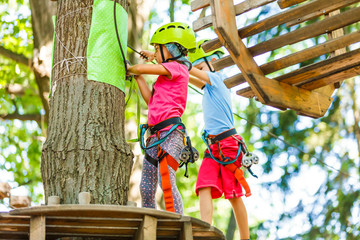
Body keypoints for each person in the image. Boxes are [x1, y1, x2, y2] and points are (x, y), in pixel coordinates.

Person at [188, 39, 257, 239]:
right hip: (214, 147)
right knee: (203, 185)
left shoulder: (218, 79)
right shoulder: (211, 84)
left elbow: (187, 69)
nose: (197, 69)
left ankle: (245, 238)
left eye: (200, 65)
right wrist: (162, 64)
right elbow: (185, 75)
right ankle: (205, 230)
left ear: (213, 62)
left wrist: (177, 63)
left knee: (234, 194)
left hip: (227, 145)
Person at [127, 22, 197, 214]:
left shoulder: (179, 69)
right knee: (146, 187)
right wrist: (137, 75)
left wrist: (135, 68)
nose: (155, 53)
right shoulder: (164, 77)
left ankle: (177, 222)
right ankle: (151, 221)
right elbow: (151, 101)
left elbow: (148, 68)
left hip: (171, 134)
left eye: (158, 49)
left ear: (172, 49)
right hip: (155, 137)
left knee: (165, 178)